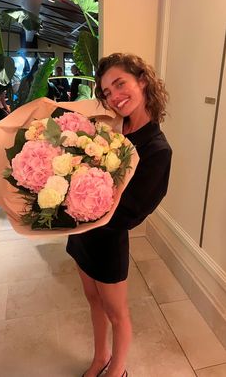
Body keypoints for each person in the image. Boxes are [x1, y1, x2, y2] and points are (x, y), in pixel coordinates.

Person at [66, 53, 172, 377]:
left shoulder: (156, 148)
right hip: (81, 231)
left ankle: (118, 370)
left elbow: (133, 213)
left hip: (109, 241)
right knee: (92, 300)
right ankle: (101, 357)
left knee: (117, 312)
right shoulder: (114, 127)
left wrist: (89, 206)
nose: (113, 96)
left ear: (142, 80)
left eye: (119, 84)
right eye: (107, 91)